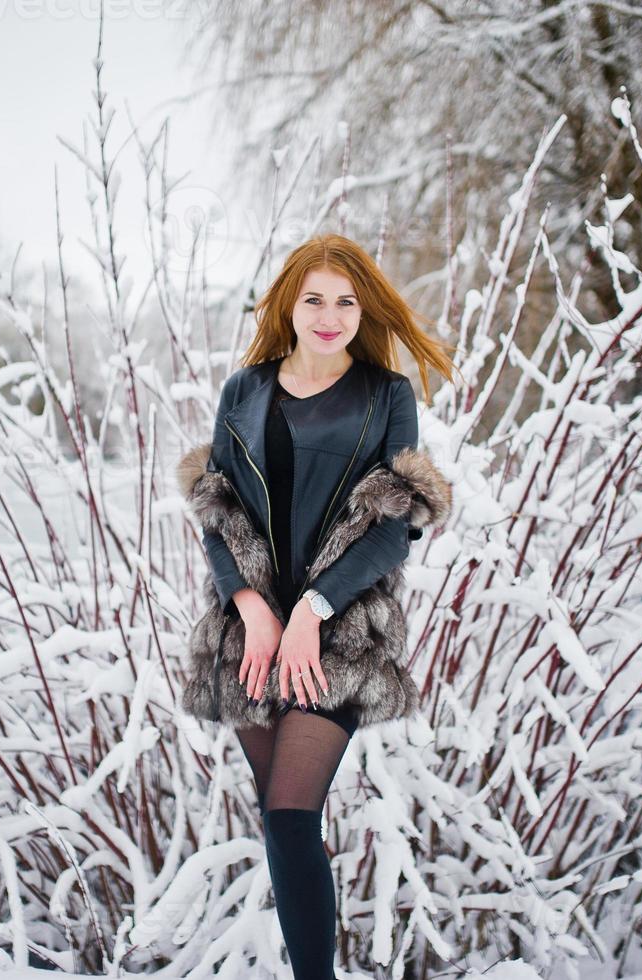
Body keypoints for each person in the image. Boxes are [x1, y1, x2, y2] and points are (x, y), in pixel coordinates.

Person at [176, 234, 456, 979]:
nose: (329, 315)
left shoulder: (384, 394)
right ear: (288, 305)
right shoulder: (245, 389)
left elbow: (395, 528)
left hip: (341, 629)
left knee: (295, 813)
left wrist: (311, 612)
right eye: (314, 299)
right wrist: (255, 608)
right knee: (278, 820)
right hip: (251, 632)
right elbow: (215, 508)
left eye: (345, 301)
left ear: (361, 310)